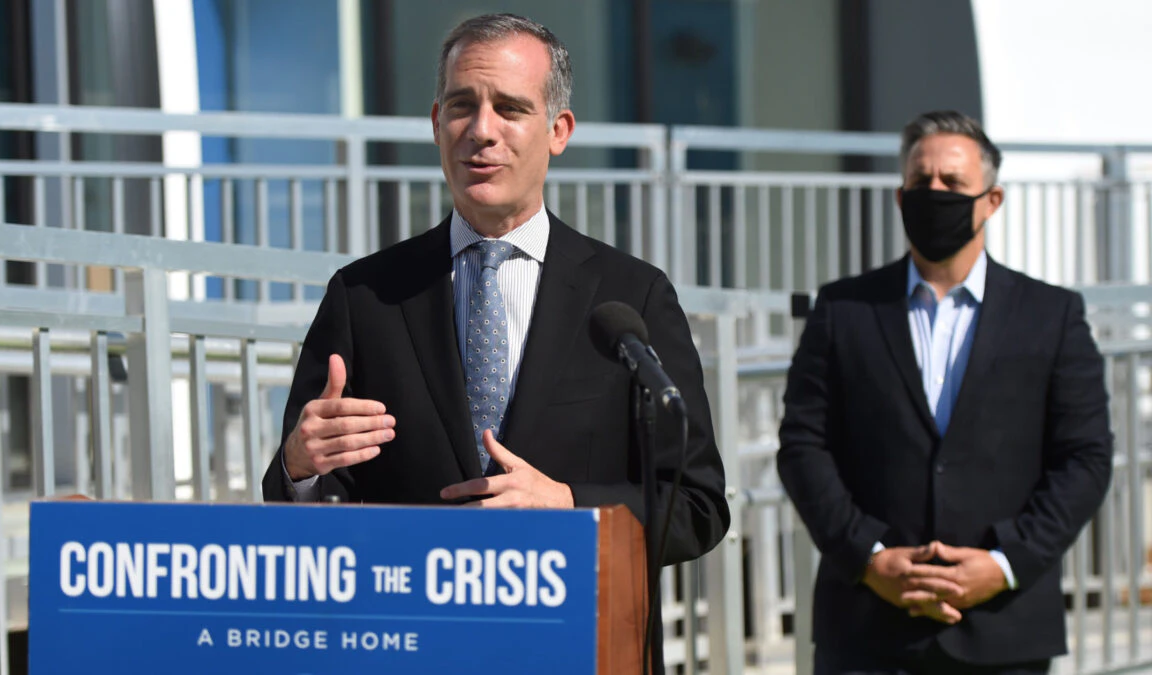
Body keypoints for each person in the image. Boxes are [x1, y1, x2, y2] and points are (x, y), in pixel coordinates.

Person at [262, 13, 729, 670]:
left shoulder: (631, 299)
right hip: (410, 648)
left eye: (510, 108)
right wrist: (300, 468)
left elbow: (699, 506)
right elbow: (301, 499)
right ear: (435, 123)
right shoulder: (365, 295)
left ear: (558, 131)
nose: (482, 131)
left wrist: (569, 504)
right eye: (462, 107)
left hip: (578, 644)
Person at [777, 110, 1113, 674]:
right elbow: (803, 445)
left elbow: (1085, 458)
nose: (934, 192)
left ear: (992, 200)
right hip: (865, 631)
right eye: (920, 181)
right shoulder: (843, 309)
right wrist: (870, 558)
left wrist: (1005, 563)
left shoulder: (1052, 315)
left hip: (1005, 631)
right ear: (900, 196)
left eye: (953, 183)